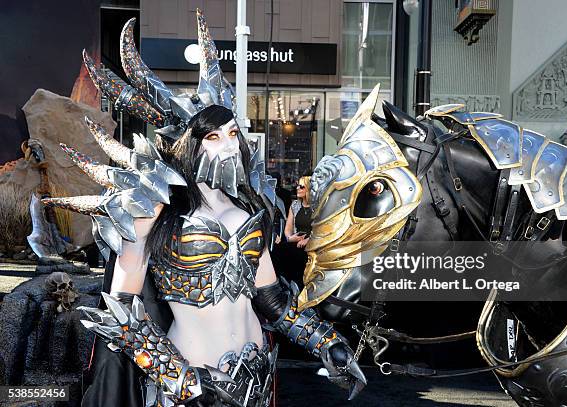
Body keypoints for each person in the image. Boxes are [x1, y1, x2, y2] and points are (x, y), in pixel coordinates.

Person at [44, 11, 365, 407]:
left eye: (232, 133)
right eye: (213, 136)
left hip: (258, 380)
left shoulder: (252, 209)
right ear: (190, 145)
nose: (229, 145)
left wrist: (326, 342)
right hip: (190, 385)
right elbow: (120, 311)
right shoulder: (154, 208)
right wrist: (180, 379)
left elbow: (272, 300)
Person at [284, 176, 313, 249]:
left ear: (309, 189)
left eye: (301, 186)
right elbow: (288, 227)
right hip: (296, 246)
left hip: (313, 247)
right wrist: (290, 238)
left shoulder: (319, 205)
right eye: (297, 186)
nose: (297, 188)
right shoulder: (295, 205)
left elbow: (321, 230)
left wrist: (309, 240)